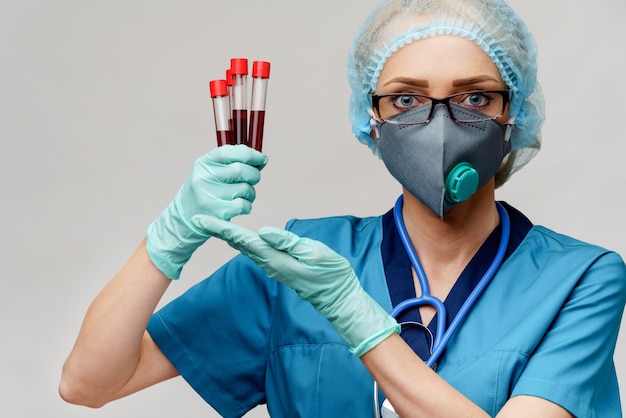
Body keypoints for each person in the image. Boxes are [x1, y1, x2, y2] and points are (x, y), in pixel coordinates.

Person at [59, 0, 626, 417]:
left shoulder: (582, 278)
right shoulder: (298, 263)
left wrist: (355, 316)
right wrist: (168, 239)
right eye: (405, 99)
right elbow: (88, 383)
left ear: (514, 117)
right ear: (371, 122)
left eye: (474, 97)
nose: (440, 125)